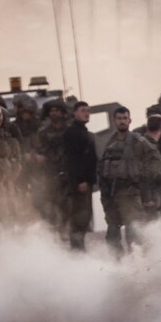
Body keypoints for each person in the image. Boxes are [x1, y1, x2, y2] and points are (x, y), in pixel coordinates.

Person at [99, 107, 161, 253]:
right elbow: (102, 169)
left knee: (133, 233)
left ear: (129, 120)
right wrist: (105, 194)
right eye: (119, 118)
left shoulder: (137, 141)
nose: (122, 121)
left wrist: (144, 177)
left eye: (124, 118)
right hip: (112, 195)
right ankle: (118, 265)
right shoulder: (110, 143)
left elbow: (156, 160)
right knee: (112, 234)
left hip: (130, 193)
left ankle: (136, 264)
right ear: (115, 121)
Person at [61, 101, 98, 250]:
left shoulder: (83, 131)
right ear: (75, 113)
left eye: (88, 111)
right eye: (83, 110)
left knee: (85, 216)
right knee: (80, 217)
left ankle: (79, 246)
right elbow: (73, 159)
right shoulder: (73, 132)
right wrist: (80, 180)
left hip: (86, 182)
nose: (87, 113)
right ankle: (77, 248)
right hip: (79, 183)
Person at [35, 99, 69, 229]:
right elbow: (39, 153)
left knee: (69, 206)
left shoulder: (69, 130)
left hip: (67, 173)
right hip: (50, 173)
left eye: (57, 111)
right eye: (52, 111)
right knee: (50, 205)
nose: (54, 114)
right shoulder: (43, 132)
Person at [140, 114, 161, 219]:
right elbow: (148, 175)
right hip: (148, 199)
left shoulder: (141, 143)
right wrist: (148, 198)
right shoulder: (150, 148)